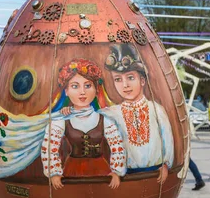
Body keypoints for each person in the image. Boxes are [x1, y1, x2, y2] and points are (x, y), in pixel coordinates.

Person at [42, 59, 126, 189]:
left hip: (101, 170)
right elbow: (49, 148)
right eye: (75, 86)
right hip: (72, 170)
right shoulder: (61, 120)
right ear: (66, 91)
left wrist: (116, 172)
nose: (82, 92)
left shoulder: (105, 120)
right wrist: (54, 173)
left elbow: (117, 148)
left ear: (96, 89)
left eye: (88, 86)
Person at [101, 44, 174, 184]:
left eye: (130, 77)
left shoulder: (156, 110)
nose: (125, 85)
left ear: (142, 80)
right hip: (125, 178)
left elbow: (167, 141)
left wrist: (166, 165)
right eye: (118, 79)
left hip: (156, 176)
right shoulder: (111, 114)